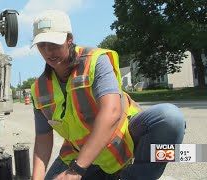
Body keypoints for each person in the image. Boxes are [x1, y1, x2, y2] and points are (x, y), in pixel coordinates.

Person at [30, 10, 186, 180]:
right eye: (41, 45)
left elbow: (111, 112)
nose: (48, 51)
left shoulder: (95, 61)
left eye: (53, 43)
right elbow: (43, 139)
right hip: (85, 158)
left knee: (170, 118)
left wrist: (76, 170)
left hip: (123, 144)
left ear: (69, 39)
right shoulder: (40, 89)